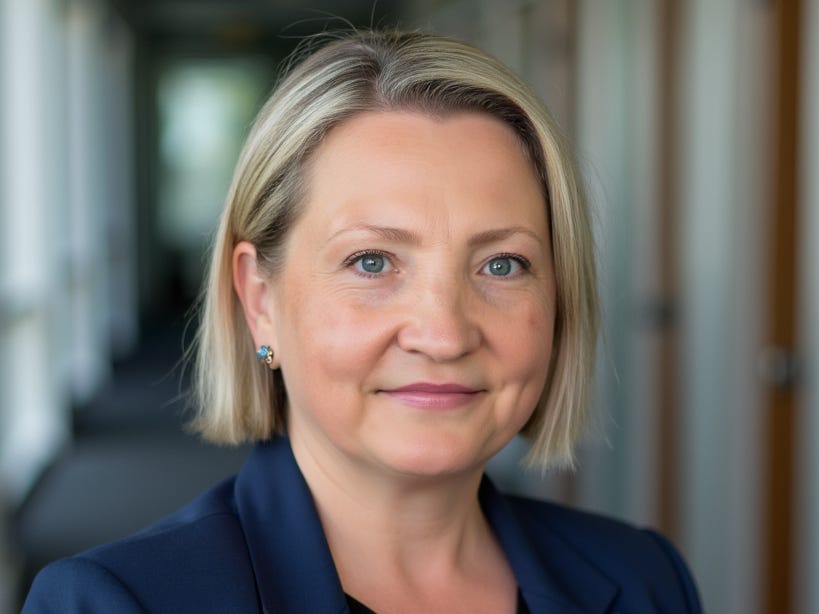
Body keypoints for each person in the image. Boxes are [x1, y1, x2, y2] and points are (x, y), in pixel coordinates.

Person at [23, 30, 702, 613]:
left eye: (501, 265)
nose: (442, 334)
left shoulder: (642, 580)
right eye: (372, 262)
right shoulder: (114, 602)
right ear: (259, 300)